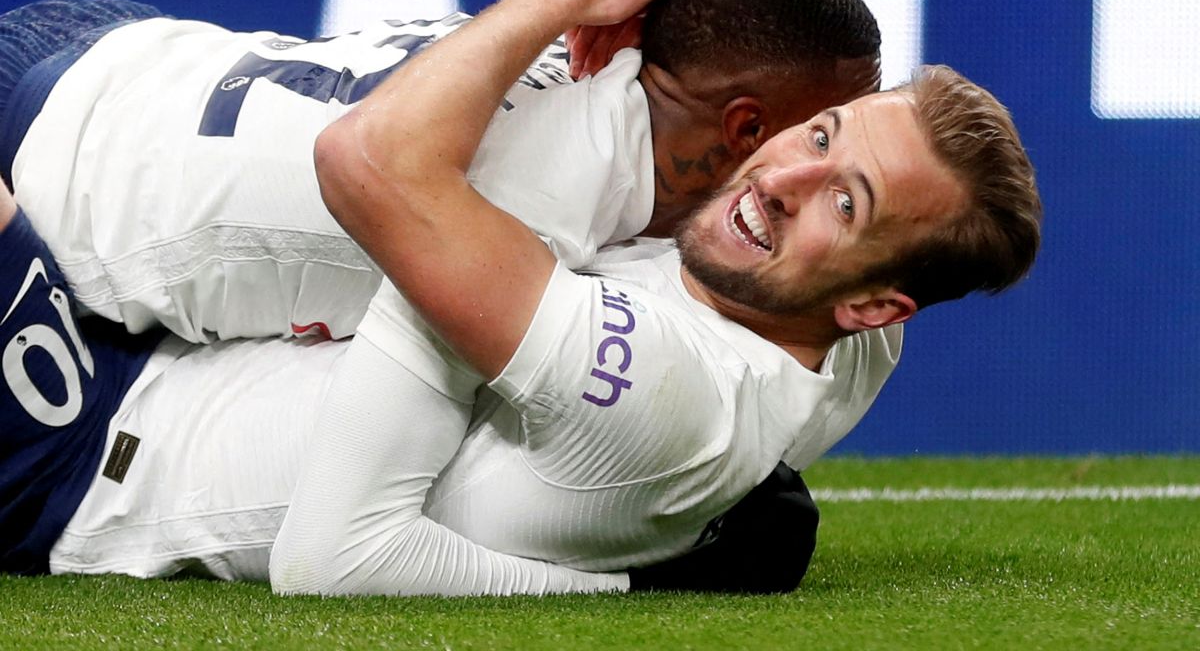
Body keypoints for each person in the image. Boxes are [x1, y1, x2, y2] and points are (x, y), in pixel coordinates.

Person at [270, 0, 1042, 595]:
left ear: (876, 305)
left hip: (153, 406)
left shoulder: (656, 386)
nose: (776, 182)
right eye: (818, 136)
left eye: (845, 204)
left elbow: (370, 162)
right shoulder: (848, 333)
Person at [4, 0, 882, 345]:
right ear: (747, 128)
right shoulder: (534, 228)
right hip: (40, 172)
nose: (844, 154)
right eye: (828, 128)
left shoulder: (593, 44)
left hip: (122, 50)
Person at [0, 183, 816, 590]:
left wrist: (609, 588)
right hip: (146, 352)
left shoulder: (569, 494)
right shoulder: (586, 422)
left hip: (83, 461)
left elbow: (334, 561)